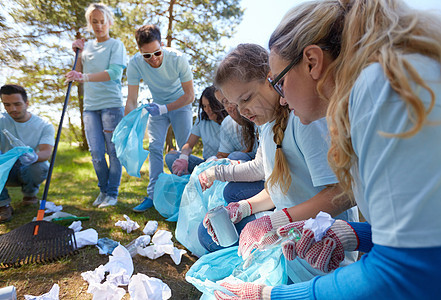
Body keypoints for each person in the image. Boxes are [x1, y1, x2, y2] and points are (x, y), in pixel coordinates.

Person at [214, 0, 441, 299]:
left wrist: (271, 295)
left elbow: (407, 271)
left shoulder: (378, 93)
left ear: (312, 61)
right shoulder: (367, 92)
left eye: (279, 83)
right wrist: (352, 234)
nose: (282, 99)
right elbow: (419, 236)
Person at [198, 44, 358, 283]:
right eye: (235, 104)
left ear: (270, 77)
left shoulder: (304, 121)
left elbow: (342, 193)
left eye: (246, 98)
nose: (242, 111)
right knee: (209, 236)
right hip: (291, 235)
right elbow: (279, 189)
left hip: (319, 251)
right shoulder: (267, 126)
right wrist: (244, 207)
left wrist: (273, 221)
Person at [125, 24, 195, 212]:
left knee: (184, 150)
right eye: (147, 55)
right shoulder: (135, 63)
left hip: (180, 105)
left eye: (157, 53)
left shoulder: (178, 59)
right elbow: (131, 100)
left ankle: (187, 195)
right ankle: (153, 195)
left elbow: (190, 96)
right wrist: (127, 127)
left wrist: (165, 108)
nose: (153, 59)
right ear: (140, 52)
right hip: (157, 108)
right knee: (155, 147)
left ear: (162, 45)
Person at [65, 3, 127, 208]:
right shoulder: (87, 46)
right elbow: (78, 72)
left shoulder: (115, 45)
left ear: (109, 22)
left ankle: (112, 193)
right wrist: (76, 52)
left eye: (102, 21)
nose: (99, 25)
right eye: (95, 22)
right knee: (97, 153)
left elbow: (115, 73)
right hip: (90, 106)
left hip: (111, 104)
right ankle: (103, 191)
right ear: (89, 24)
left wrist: (83, 76)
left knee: (113, 151)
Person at [0, 85, 54, 223]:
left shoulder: (44, 125)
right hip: (5, 170)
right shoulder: (1, 121)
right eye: (7, 105)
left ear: (27, 103)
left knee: (40, 166)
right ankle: (3, 204)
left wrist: (34, 157)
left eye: (17, 104)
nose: (12, 109)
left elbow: (46, 152)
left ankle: (30, 194)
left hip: (29, 168)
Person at [164, 86, 228, 176]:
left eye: (210, 106)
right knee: (171, 157)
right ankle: (189, 186)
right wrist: (183, 157)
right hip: (206, 163)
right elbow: (189, 145)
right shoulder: (202, 119)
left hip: (224, 165)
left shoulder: (230, 121)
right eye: (204, 106)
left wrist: (214, 160)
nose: (207, 110)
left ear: (219, 103)